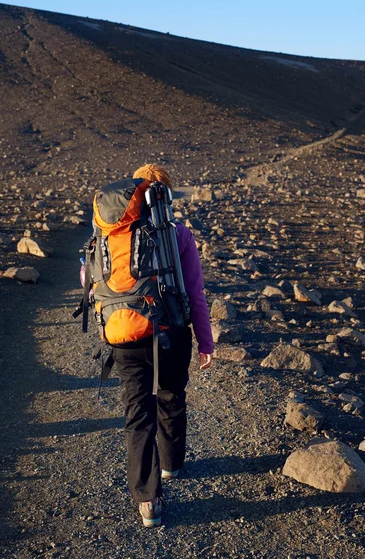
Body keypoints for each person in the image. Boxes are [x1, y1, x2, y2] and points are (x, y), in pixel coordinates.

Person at [111, 164, 214, 527]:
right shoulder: (178, 234)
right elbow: (195, 294)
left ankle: (148, 501)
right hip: (171, 332)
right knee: (170, 395)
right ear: (167, 195)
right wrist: (206, 341)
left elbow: (90, 280)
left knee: (137, 415)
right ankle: (170, 465)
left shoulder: (112, 233)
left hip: (124, 333)